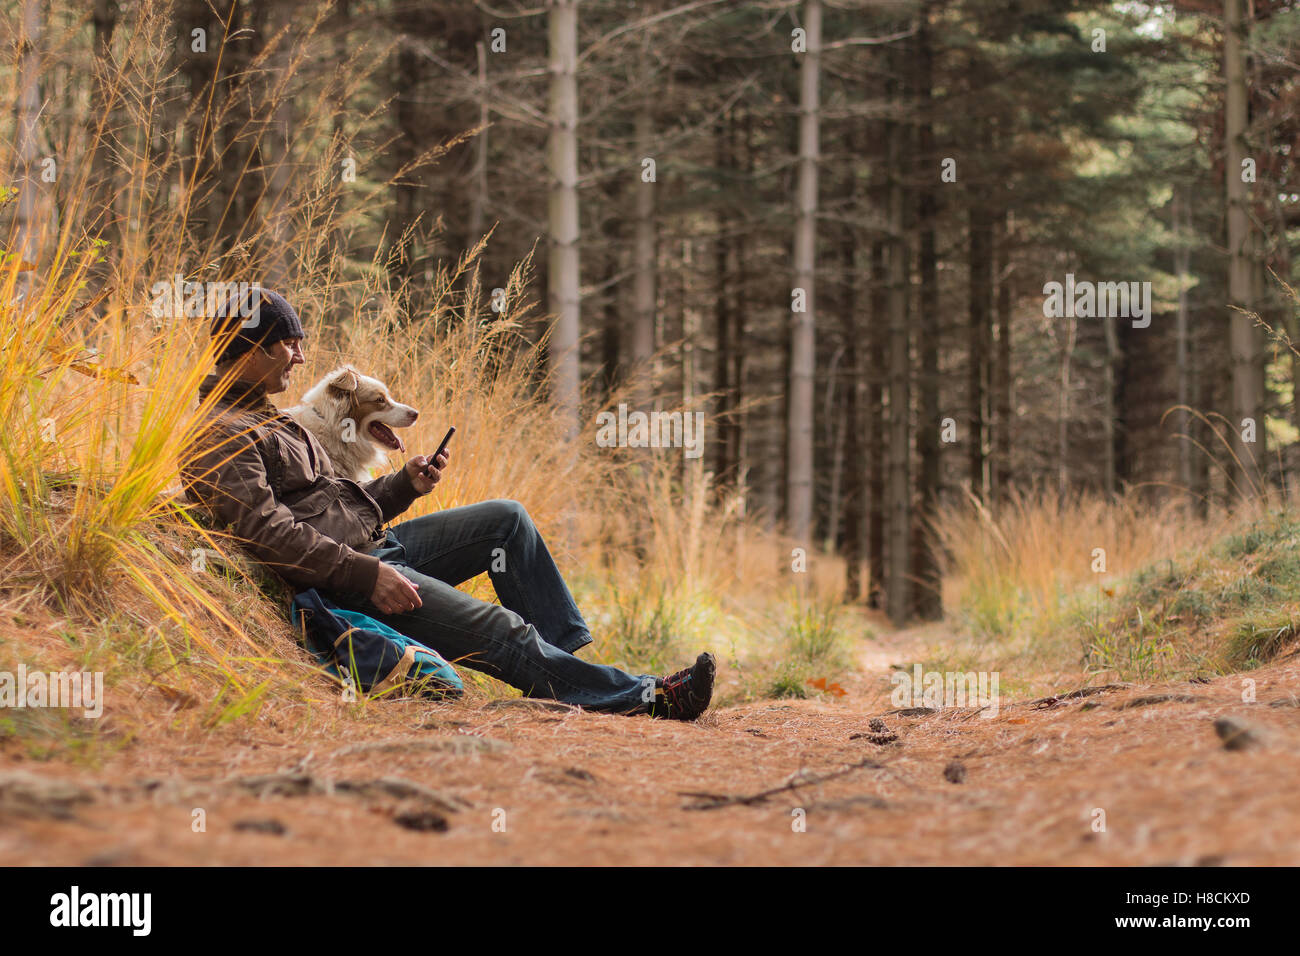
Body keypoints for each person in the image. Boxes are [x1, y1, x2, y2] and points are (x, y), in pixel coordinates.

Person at [179, 287, 715, 720]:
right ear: (251, 348)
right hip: (346, 581)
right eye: (289, 344)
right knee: (503, 629)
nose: (300, 356)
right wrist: (366, 576)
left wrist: (403, 488)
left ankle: (567, 675)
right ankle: (649, 698)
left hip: (377, 550)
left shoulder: (269, 417)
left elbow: (331, 508)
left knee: (506, 520)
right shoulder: (221, 433)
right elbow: (269, 535)